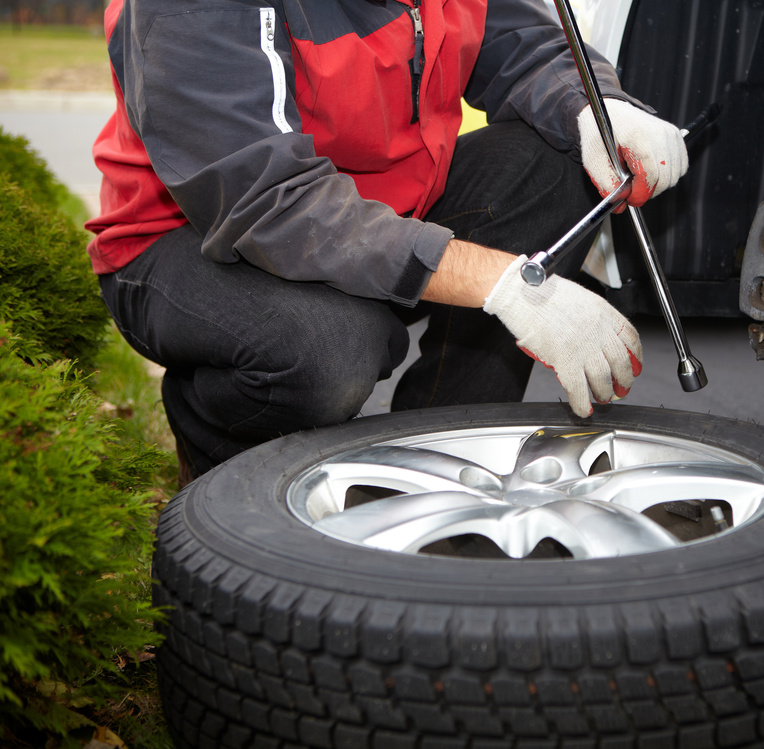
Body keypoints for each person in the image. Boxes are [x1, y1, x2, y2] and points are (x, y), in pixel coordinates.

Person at [86, 0, 688, 486]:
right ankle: (216, 443)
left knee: (554, 156)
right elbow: (265, 201)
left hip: (381, 214)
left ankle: (448, 453)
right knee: (331, 350)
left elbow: (522, 44)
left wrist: (596, 107)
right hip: (190, 240)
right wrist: (503, 285)